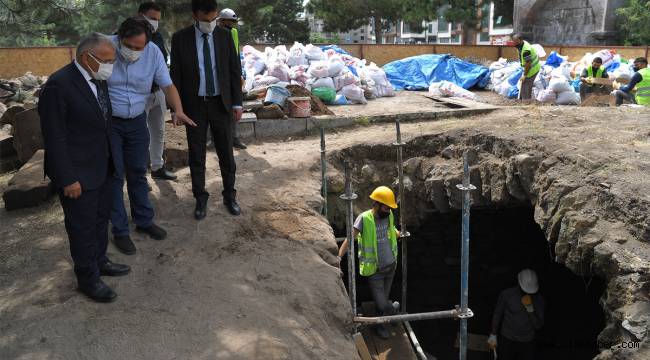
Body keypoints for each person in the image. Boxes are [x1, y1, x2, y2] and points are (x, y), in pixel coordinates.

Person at [38, 33, 131, 303]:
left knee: (101, 220)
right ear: (85, 57)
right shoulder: (59, 85)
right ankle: (87, 278)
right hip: (78, 174)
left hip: (103, 166)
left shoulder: (97, 79)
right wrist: (67, 179)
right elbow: (55, 138)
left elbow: (103, 123)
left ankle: (100, 261)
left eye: (112, 61)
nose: (110, 66)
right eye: (106, 60)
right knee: (82, 227)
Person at [108, 17, 196, 255]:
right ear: (120, 37)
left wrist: (178, 109)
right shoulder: (104, 46)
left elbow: (167, 85)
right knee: (115, 175)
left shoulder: (153, 52)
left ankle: (144, 221)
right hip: (109, 123)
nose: (136, 52)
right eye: (130, 46)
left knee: (138, 171)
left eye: (140, 47)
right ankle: (120, 231)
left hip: (136, 120)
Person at [170, 0, 244, 220]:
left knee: (226, 153)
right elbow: (176, 75)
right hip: (194, 106)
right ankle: (200, 198)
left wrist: (237, 103)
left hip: (221, 104)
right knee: (197, 154)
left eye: (213, 19)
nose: (210, 24)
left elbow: (233, 71)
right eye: (205, 20)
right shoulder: (180, 39)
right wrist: (177, 108)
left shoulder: (224, 36)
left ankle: (230, 196)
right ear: (195, 15)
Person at [338, 186, 401, 339]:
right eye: (386, 207)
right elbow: (350, 238)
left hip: (391, 266)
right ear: (377, 204)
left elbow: (390, 229)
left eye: (389, 208)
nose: (388, 211)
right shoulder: (364, 218)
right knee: (381, 303)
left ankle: (382, 322)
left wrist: (397, 233)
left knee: (383, 298)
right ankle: (392, 311)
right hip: (375, 270)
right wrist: (339, 256)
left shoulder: (389, 215)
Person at [138, 2, 177, 180]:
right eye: (152, 18)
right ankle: (139, 174)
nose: (155, 23)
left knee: (158, 131)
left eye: (158, 20)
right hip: (138, 94)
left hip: (158, 92)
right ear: (140, 15)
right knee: (139, 136)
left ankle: (157, 167)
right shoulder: (125, 36)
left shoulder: (158, 37)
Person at [488, 269, 545, 360]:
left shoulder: (538, 300)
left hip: (527, 342)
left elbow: (538, 326)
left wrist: (530, 310)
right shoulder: (507, 294)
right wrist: (493, 334)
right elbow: (497, 314)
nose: (527, 292)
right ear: (519, 283)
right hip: (507, 339)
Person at [217, 7, 247, 150]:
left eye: (233, 22)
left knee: (235, 106)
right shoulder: (213, 33)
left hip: (232, 73)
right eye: (229, 22)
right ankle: (215, 139)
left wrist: (239, 74)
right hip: (218, 75)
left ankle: (234, 137)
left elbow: (235, 55)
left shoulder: (233, 33)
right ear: (221, 21)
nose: (231, 25)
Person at [511, 34, 540, 100]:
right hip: (530, 67)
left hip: (532, 69)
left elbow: (528, 64)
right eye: (514, 41)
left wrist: (525, 75)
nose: (515, 43)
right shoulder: (522, 45)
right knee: (524, 85)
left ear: (521, 40)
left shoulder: (526, 50)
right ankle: (524, 100)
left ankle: (526, 102)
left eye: (516, 42)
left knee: (525, 85)